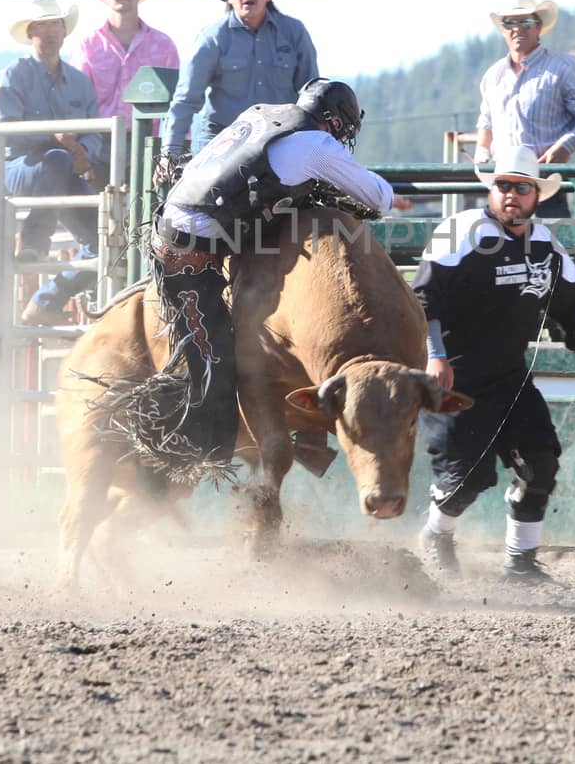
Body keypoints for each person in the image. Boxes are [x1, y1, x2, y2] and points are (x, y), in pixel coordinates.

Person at [145, 79, 396, 479]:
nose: (341, 136)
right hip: (192, 248)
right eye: (342, 128)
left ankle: (287, 437)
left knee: (224, 342)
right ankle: (189, 449)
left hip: (184, 226)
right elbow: (379, 196)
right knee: (216, 361)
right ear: (332, 121)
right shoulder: (317, 144)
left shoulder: (261, 113)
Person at [413, 145, 575, 581]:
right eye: (503, 185)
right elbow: (423, 297)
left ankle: (520, 561)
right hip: (455, 374)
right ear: (491, 190)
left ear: (536, 195)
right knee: (464, 478)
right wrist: (435, 355)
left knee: (539, 463)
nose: (511, 195)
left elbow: (572, 304)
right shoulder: (462, 230)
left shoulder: (544, 243)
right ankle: (436, 535)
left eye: (521, 188)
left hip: (509, 375)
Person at [0, 0, 106, 326]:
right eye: (42, 25)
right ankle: (34, 241)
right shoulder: (14, 75)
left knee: (103, 241)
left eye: (55, 23)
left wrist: (83, 152)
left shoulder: (80, 82)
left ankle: (44, 301)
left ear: (64, 31)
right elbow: (5, 133)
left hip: (64, 170)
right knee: (56, 159)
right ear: (30, 33)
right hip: (21, 169)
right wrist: (53, 139)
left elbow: (94, 134)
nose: (51, 31)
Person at [166, 0, 320, 158]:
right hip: (221, 139)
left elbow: (312, 95)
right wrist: (170, 152)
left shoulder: (294, 32)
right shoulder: (212, 37)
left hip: (279, 139)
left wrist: (317, 146)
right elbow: (186, 100)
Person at [473, 0, 575, 218]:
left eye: (526, 22)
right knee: (499, 246)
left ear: (538, 26)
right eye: (509, 22)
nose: (517, 28)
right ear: (503, 29)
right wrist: (482, 153)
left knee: (551, 244)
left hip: (545, 180)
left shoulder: (563, 67)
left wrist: (565, 146)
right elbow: (486, 122)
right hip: (504, 183)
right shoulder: (493, 75)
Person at [69, 0, 179, 121]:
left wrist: (180, 143)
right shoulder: (88, 46)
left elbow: (177, 101)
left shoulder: (164, 45)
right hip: (98, 139)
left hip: (148, 140)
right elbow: (75, 101)